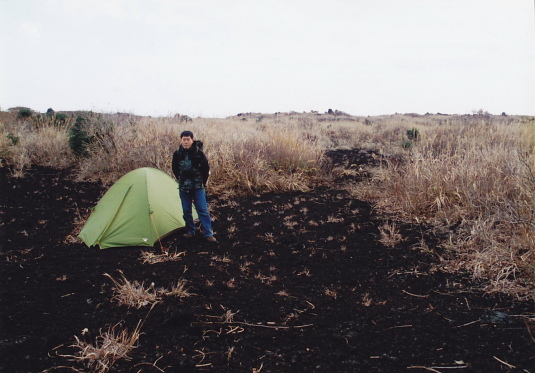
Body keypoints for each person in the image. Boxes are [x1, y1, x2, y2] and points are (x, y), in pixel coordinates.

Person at [172, 130, 217, 242]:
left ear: (192, 140)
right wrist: (181, 180)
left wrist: (203, 182)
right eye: (184, 139)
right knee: (186, 210)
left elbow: (206, 169)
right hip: (184, 187)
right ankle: (190, 231)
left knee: (202, 210)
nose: (186, 142)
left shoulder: (199, 153)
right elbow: (175, 169)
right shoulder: (177, 154)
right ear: (181, 140)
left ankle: (208, 234)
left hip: (198, 187)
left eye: (188, 139)